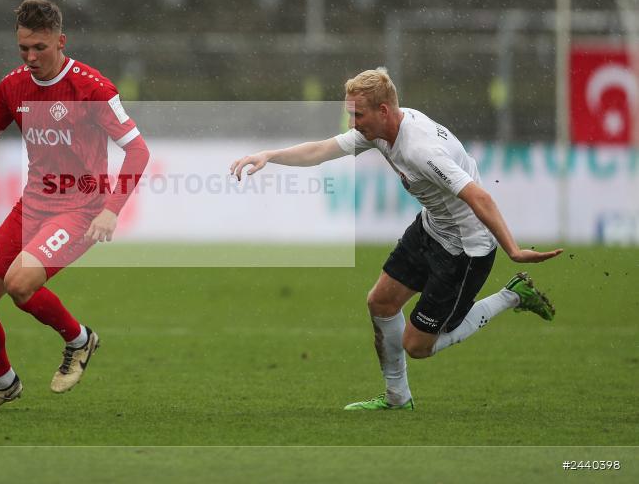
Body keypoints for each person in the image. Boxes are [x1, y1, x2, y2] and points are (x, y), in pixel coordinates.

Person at [230, 68, 561, 411]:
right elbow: (322, 150)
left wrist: (513, 250)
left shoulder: (421, 150)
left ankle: (512, 296)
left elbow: (480, 198)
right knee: (381, 303)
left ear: (383, 111)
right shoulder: (379, 131)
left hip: (466, 250)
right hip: (431, 228)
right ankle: (397, 398)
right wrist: (269, 155)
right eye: (350, 114)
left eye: (357, 114)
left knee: (417, 346)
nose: (352, 123)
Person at [0, 0, 150, 412]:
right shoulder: (13, 86)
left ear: (61, 42)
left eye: (39, 48)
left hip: (81, 209)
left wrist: (112, 209)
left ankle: (79, 340)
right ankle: (4, 383)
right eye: (23, 48)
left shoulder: (92, 88)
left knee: (19, 283)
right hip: (33, 205)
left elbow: (137, 151)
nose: (30, 57)